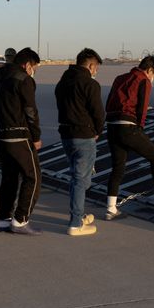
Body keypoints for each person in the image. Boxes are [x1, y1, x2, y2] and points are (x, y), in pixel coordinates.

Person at [104, 55, 154, 221]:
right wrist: (139, 129)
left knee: (118, 167)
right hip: (128, 126)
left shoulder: (119, 78)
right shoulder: (143, 80)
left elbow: (108, 103)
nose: (153, 79)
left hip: (112, 126)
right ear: (150, 70)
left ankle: (110, 208)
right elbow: (142, 108)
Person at [54, 48, 105, 237]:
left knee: (77, 176)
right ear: (91, 65)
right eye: (96, 67)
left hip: (66, 134)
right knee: (81, 180)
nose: (96, 71)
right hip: (84, 136)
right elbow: (98, 113)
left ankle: (80, 214)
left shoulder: (62, 82)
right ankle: (75, 223)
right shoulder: (90, 84)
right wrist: (98, 131)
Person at [0, 47, 43, 235]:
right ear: (27, 64)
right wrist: (36, 136)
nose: (34, 71)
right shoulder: (24, 79)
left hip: (2, 134)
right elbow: (31, 111)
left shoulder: (1, 77)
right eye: (34, 66)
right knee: (34, 177)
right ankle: (21, 219)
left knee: (9, 178)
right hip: (19, 135)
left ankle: (4, 219)